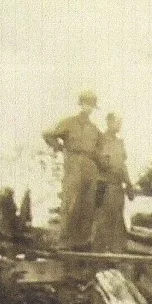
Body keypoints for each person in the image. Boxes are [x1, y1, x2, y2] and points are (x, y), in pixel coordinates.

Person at [43, 90, 101, 250]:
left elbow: (100, 150)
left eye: (91, 106)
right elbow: (48, 135)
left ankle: (82, 241)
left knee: (88, 202)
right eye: (86, 104)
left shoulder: (94, 129)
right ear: (81, 104)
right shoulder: (69, 123)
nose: (88, 108)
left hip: (90, 164)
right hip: (74, 162)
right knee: (71, 199)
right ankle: (65, 240)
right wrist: (61, 148)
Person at [92, 112, 134, 253]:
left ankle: (117, 252)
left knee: (117, 218)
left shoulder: (119, 143)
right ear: (109, 122)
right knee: (102, 218)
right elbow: (96, 160)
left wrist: (129, 184)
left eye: (120, 123)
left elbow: (122, 165)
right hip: (104, 184)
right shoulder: (100, 140)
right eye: (117, 122)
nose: (119, 126)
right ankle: (98, 251)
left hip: (117, 186)